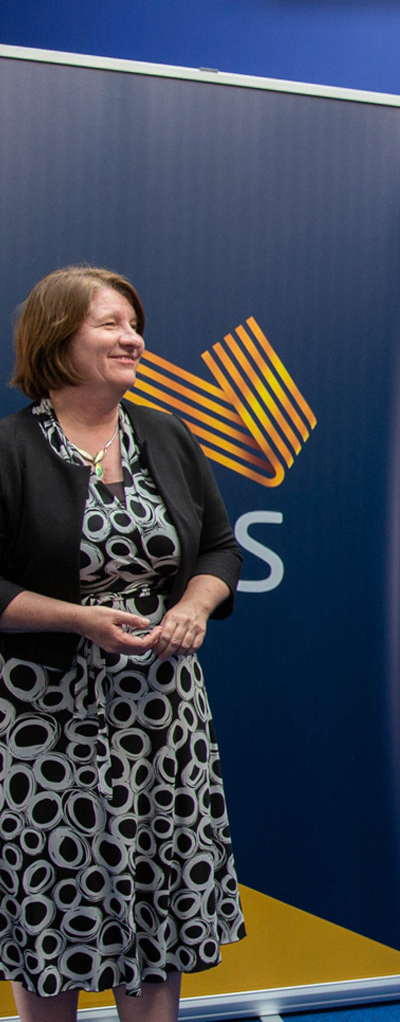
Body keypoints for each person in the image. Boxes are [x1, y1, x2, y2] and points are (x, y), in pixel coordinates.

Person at [0, 266, 245, 1022]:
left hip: (161, 720)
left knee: (155, 904)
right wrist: (81, 621)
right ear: (55, 338)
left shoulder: (165, 435)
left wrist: (196, 607)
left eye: (133, 322)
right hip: (46, 721)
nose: (130, 337)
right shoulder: (10, 448)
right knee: (54, 905)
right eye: (108, 323)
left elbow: (219, 548)